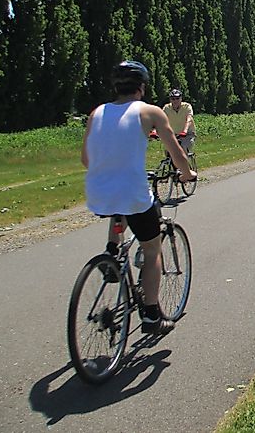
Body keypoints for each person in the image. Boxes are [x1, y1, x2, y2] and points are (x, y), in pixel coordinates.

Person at [82, 61, 196, 335]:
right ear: (142, 87)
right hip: (133, 193)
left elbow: (86, 159)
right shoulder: (150, 112)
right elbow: (176, 153)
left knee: (118, 209)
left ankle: (112, 254)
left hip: (98, 193)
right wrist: (187, 173)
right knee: (152, 249)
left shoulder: (97, 112)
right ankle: (152, 315)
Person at [163, 89, 196, 153]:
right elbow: (161, 119)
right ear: (170, 100)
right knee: (168, 151)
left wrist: (185, 131)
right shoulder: (167, 108)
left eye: (177, 98)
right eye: (173, 99)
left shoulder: (187, 106)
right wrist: (154, 131)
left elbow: (189, 119)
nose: (175, 100)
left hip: (187, 134)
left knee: (183, 148)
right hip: (173, 134)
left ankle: (185, 159)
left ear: (181, 98)